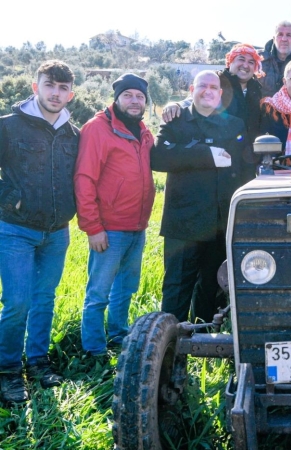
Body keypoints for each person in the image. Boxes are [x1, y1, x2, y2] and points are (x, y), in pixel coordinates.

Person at [0, 60, 79, 403]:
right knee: (17, 302)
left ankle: (37, 362)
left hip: (57, 232)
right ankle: (7, 371)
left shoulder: (74, 134)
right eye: (50, 85)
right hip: (15, 230)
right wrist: (10, 198)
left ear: (71, 94)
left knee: (44, 300)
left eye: (63, 88)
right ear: (36, 87)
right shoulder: (7, 127)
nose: (55, 93)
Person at [152, 71, 247, 324]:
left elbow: (238, 165)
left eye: (213, 87)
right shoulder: (177, 120)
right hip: (183, 222)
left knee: (210, 287)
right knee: (177, 287)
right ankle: (170, 349)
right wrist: (206, 154)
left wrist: (186, 152)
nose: (208, 91)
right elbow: (159, 157)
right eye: (202, 86)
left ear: (220, 93)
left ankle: (204, 341)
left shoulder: (234, 125)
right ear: (192, 89)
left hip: (219, 222)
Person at [75, 74, 155, 357]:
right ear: (117, 98)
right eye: (128, 95)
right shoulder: (97, 129)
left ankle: (118, 337)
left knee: (125, 289)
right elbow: (84, 179)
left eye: (140, 97)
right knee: (98, 293)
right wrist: (93, 227)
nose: (135, 101)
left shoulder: (143, 131)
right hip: (109, 229)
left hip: (137, 227)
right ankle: (94, 351)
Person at [163, 43, 263, 154]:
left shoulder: (257, 89)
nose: (245, 65)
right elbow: (196, 97)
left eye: (251, 62)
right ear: (230, 61)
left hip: (247, 156)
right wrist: (177, 105)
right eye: (241, 59)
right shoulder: (218, 79)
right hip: (218, 152)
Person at [259, 21, 291, 98]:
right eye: (280, 34)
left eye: (288, 35)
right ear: (274, 39)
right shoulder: (259, 59)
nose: (284, 39)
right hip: (262, 109)